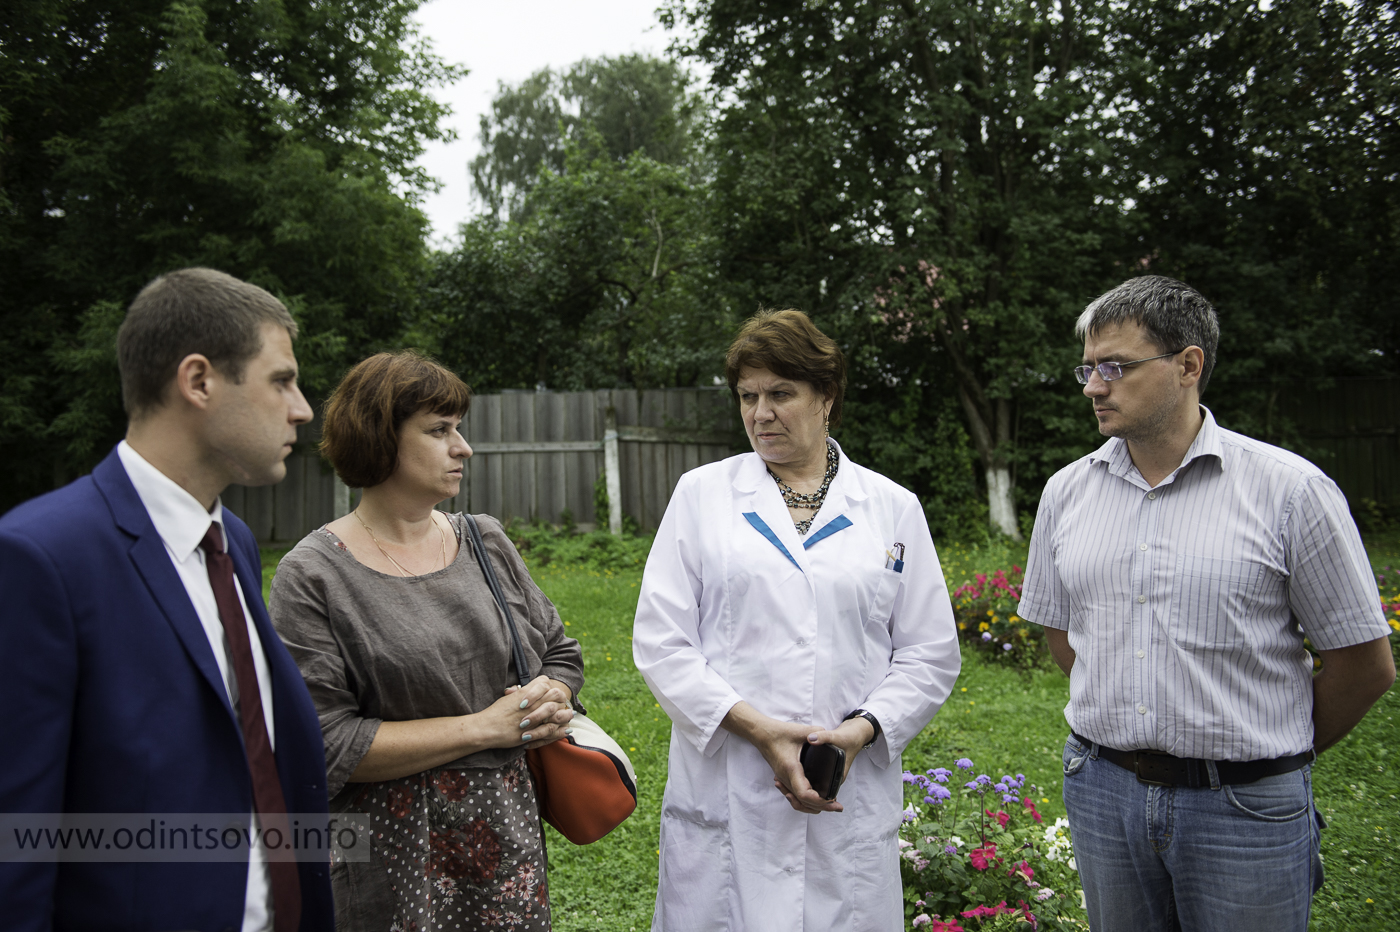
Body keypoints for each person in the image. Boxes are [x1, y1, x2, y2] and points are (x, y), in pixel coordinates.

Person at [1020, 275, 1396, 932]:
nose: (1092, 386)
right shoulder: (1066, 492)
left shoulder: (1291, 493)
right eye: (1087, 367)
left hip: (1246, 808)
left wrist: (1264, 755)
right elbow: (1062, 633)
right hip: (1103, 794)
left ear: (1188, 365)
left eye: (1115, 366)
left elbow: (1364, 665)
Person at [0, 268, 335, 931]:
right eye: (281, 380)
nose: (301, 407)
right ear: (199, 381)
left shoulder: (231, 541)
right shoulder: (39, 558)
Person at [632, 308, 961, 931]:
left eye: (781, 394)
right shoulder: (702, 496)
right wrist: (759, 730)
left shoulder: (890, 507)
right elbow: (662, 642)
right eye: (748, 396)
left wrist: (862, 731)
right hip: (729, 785)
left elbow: (929, 652)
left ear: (826, 397)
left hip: (847, 785)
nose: (761, 413)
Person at [269, 352, 583, 930]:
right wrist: (485, 727)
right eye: (439, 431)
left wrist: (551, 692)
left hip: (504, 845)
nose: (462, 447)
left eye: (457, 429)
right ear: (379, 437)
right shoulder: (312, 574)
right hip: (385, 859)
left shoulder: (484, 540)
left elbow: (560, 653)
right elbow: (323, 743)